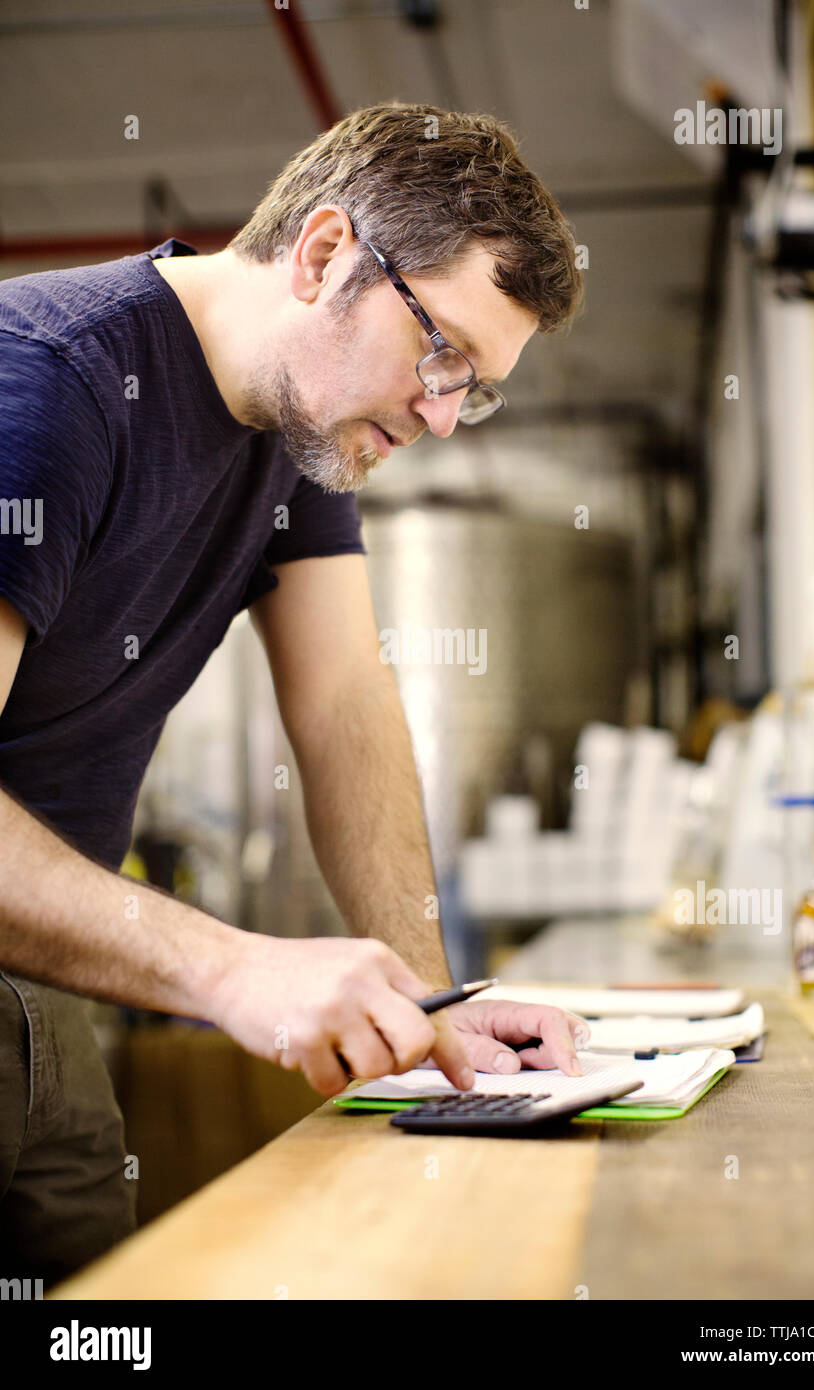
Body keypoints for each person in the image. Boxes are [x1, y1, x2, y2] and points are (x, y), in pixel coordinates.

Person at [0, 101, 586, 1285]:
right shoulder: (48, 389)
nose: (438, 415)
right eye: (442, 355)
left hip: (41, 981)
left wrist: (430, 999)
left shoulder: (303, 430)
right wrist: (233, 967)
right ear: (323, 256)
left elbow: (343, 707)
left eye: (472, 389)